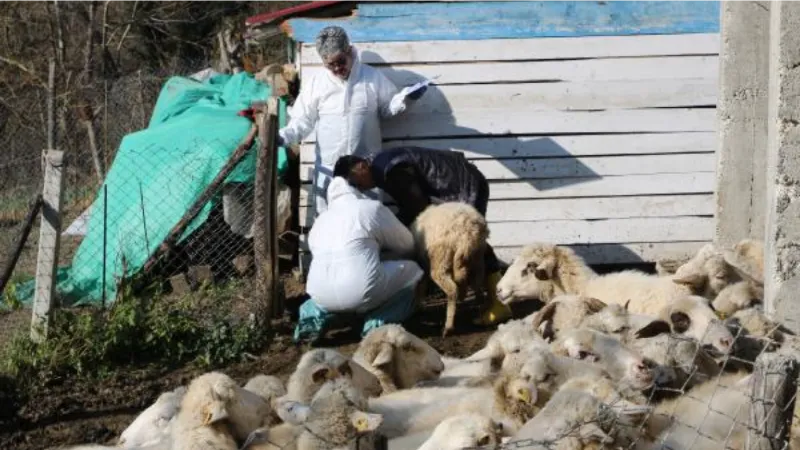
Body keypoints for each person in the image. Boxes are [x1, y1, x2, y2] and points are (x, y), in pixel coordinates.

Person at [332, 146, 513, 327]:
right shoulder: (383, 165)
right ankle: (481, 298)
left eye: (355, 183)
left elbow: (417, 205)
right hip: (462, 181)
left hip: (465, 185)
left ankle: (498, 304)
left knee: (471, 240)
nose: (360, 189)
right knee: (469, 243)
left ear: (362, 166)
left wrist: (389, 227)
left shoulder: (390, 170)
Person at [276, 25, 427, 216]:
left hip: (365, 171)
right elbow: (302, 121)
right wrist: (284, 137)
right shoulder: (317, 84)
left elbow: (388, 108)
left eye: (340, 61)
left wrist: (406, 98)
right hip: (330, 170)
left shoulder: (371, 77)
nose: (337, 68)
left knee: (368, 220)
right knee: (329, 221)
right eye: (330, 65)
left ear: (349, 50)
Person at [294, 176, 425, 343]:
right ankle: (377, 324)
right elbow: (406, 244)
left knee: (324, 294)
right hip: (362, 290)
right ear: (355, 190)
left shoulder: (320, 221)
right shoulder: (370, 208)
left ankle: (311, 322)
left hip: (320, 295)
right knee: (415, 272)